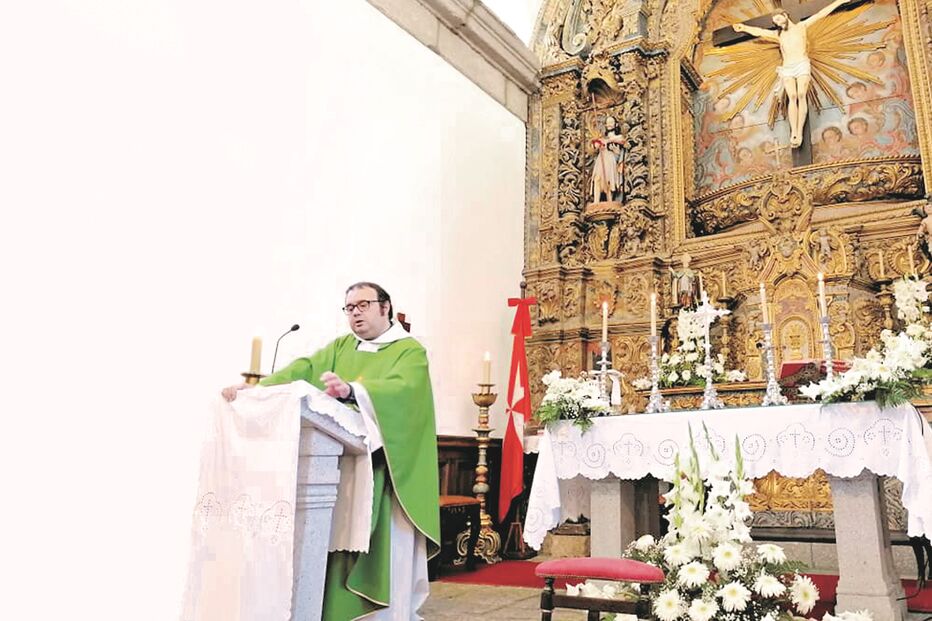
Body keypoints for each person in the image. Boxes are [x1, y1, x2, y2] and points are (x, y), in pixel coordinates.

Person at [222, 281, 440, 620]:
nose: (355, 313)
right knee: (337, 546)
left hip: (386, 472)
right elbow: (303, 370)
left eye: (363, 305)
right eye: (349, 308)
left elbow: (406, 392)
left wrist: (354, 390)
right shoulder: (341, 346)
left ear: (385, 307)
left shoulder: (409, 351)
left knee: (383, 553)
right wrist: (256, 390)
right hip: (337, 469)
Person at [733, 0, 852, 148]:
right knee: (792, 96)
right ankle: (793, 132)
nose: (777, 23)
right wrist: (743, 27)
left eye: (778, 19)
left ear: (784, 15)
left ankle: (799, 131)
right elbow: (760, 32)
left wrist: (839, 2)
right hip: (787, 68)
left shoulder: (801, 26)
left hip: (802, 64)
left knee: (801, 94)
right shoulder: (778, 34)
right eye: (775, 21)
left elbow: (821, 14)